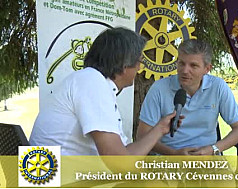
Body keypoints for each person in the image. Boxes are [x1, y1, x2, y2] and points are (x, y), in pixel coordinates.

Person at [29, 27, 180, 156]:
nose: (140, 68)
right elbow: (119, 164)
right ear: (124, 64)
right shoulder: (92, 82)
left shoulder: (90, 81)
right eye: (140, 61)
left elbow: (124, 154)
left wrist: (160, 128)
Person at [137, 39, 238, 155]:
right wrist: (174, 154)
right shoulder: (159, 88)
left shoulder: (218, 87)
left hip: (208, 159)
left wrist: (212, 149)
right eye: (181, 63)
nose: (185, 71)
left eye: (193, 66)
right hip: (168, 160)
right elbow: (142, 136)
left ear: (207, 69)